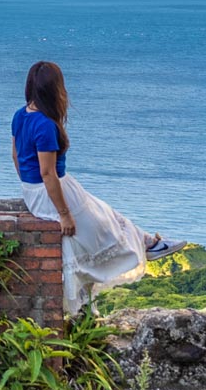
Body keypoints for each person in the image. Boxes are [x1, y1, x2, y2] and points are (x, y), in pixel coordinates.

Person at [12, 61, 186, 316]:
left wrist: (30, 188)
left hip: (36, 190)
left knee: (104, 216)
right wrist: (63, 214)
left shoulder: (20, 115)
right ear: (55, 90)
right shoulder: (46, 125)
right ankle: (148, 246)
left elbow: (16, 158)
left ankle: (149, 242)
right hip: (51, 189)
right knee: (101, 229)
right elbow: (48, 172)